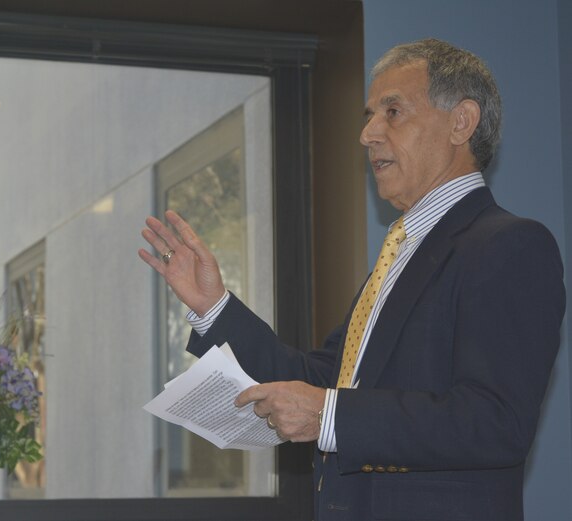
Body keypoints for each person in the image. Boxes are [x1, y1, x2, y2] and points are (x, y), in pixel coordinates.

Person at [138, 38, 565, 521]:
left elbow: (496, 422)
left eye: (393, 111)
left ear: (461, 122)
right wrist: (214, 307)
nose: (368, 134)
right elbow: (324, 380)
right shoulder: (399, 255)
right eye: (369, 114)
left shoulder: (510, 245)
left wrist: (328, 415)